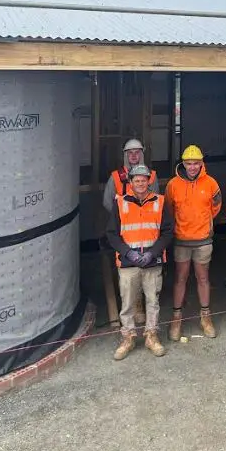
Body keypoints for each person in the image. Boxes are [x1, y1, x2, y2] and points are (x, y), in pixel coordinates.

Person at [106, 164, 173, 360]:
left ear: (149, 181)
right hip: (129, 263)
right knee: (127, 303)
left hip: (152, 261)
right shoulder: (120, 203)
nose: (141, 183)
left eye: (144, 180)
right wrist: (128, 253)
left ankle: (151, 336)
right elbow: (111, 234)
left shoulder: (160, 202)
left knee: (153, 301)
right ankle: (128, 338)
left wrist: (153, 252)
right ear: (131, 182)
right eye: (137, 180)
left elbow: (168, 231)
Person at [165, 145, 222, 341]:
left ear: (201, 164)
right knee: (180, 278)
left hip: (203, 240)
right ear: (183, 164)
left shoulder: (211, 183)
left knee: (203, 278)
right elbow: (168, 210)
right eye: (188, 164)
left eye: (196, 164)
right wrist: (180, 227)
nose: (192, 167)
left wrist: (204, 223)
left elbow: (216, 207)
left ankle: (205, 317)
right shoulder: (173, 184)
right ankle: (176, 318)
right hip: (181, 240)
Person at [102, 139, 158, 326]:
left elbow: (156, 201)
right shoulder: (116, 177)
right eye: (130, 152)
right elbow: (107, 202)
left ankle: (140, 306)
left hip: (147, 230)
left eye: (137, 152)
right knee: (127, 270)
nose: (134, 155)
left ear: (142, 153)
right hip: (126, 232)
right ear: (125, 155)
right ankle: (131, 308)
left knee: (147, 269)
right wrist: (123, 218)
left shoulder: (152, 175)